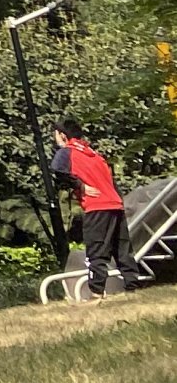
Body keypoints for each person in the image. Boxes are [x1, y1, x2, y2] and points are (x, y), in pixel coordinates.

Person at [51, 118, 137, 296]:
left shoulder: (67, 151)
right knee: (122, 249)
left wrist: (79, 186)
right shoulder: (95, 155)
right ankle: (132, 287)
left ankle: (96, 291)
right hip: (115, 204)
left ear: (62, 135)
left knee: (96, 251)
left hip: (96, 206)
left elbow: (58, 170)